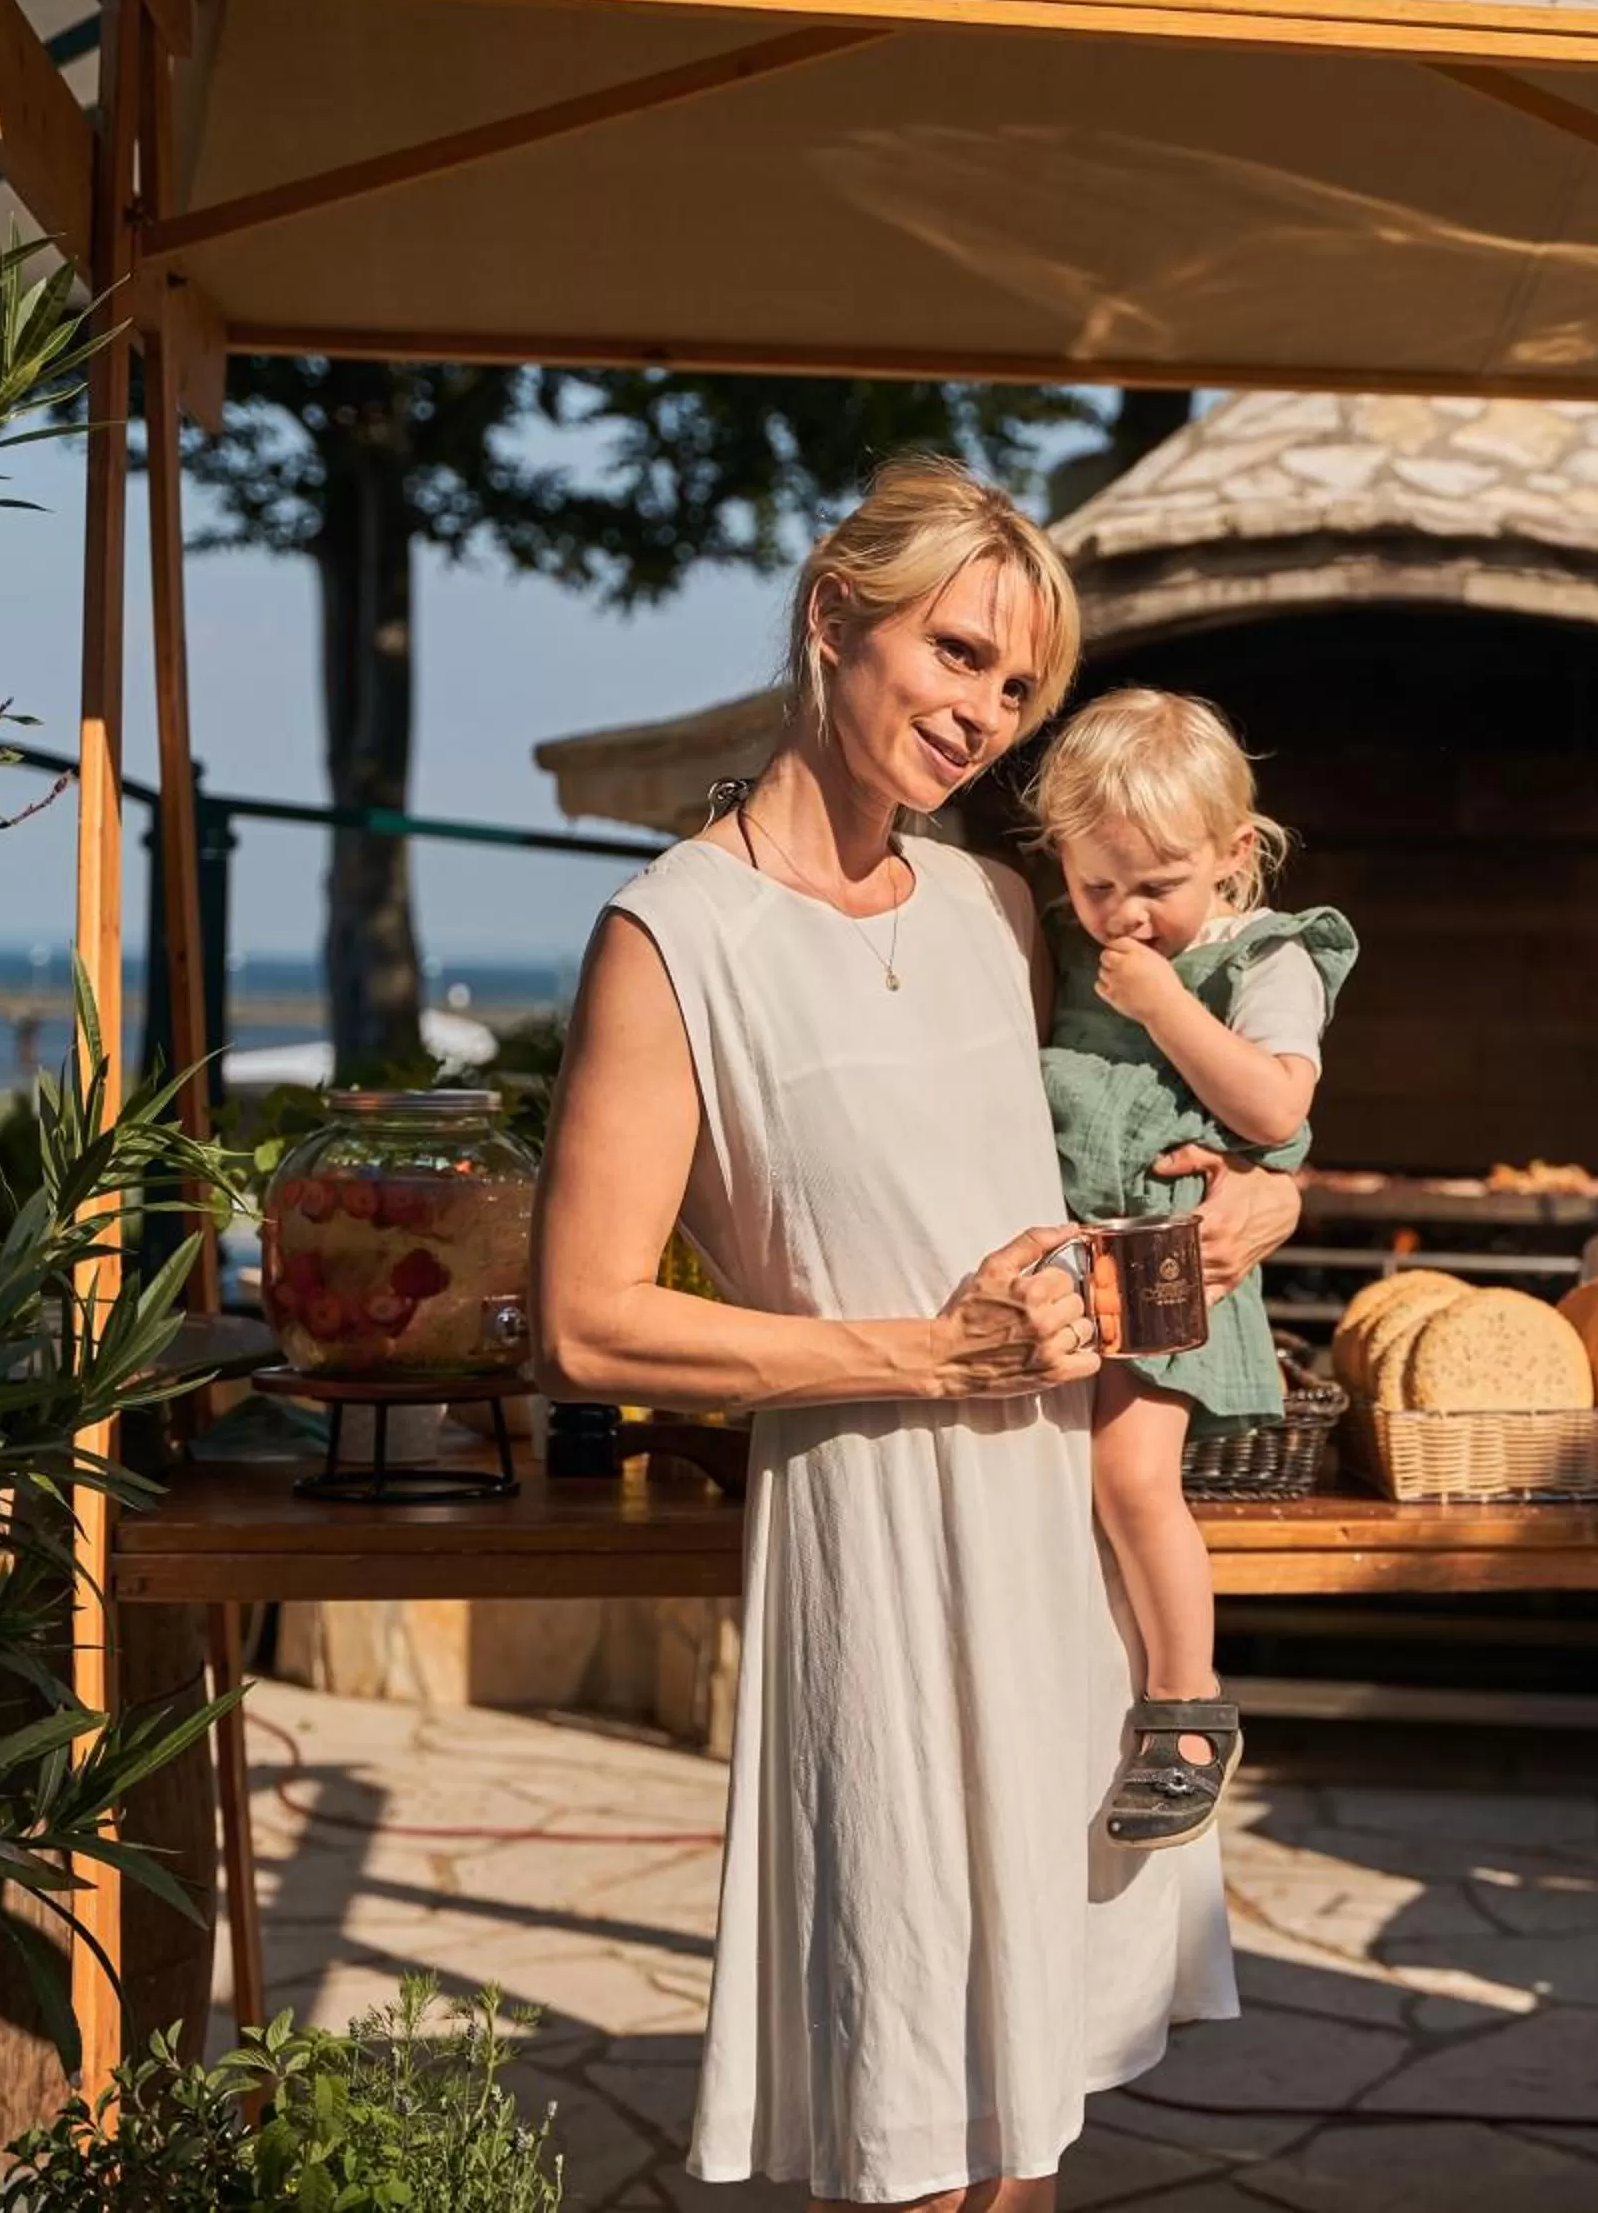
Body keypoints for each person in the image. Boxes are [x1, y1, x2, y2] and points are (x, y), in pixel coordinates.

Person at [530, 458, 1298, 2212]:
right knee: (913, 2123)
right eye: (958, 656)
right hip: (873, 1552)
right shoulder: (675, 937)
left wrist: (1260, 1208)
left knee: (1024, 2123)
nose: (983, 717)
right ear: (831, 618)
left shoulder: (997, 911)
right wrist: (923, 1359)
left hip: (1057, 1553)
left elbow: (1104, 1186)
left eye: (1018, 689)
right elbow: (584, 1324)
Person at [1025, 690, 1356, 1850]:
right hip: (1069, 1259)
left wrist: (1165, 1005)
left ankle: (1188, 1708)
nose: (1123, 914)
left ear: (1232, 853)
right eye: (1095, 883)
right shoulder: (1060, 947)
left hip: (1175, 1260)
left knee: (1127, 1476)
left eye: (1154, 884)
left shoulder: (1264, 957)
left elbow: (1273, 1105)